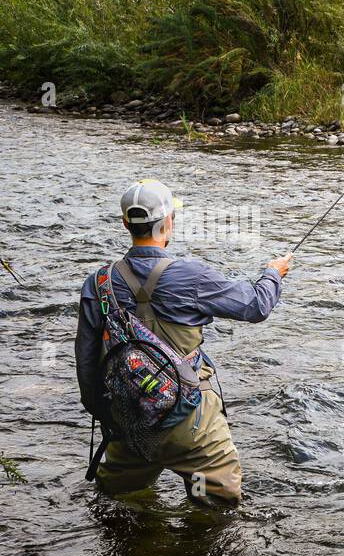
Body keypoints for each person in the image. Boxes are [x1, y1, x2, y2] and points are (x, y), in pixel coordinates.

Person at [75, 179, 293, 507]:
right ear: (168, 223)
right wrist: (272, 273)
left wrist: (110, 417)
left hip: (130, 422)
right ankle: (194, 545)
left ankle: (137, 545)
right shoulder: (192, 275)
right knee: (216, 504)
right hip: (190, 426)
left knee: (120, 501)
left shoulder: (98, 283)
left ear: (125, 224)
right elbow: (256, 306)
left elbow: (87, 364)